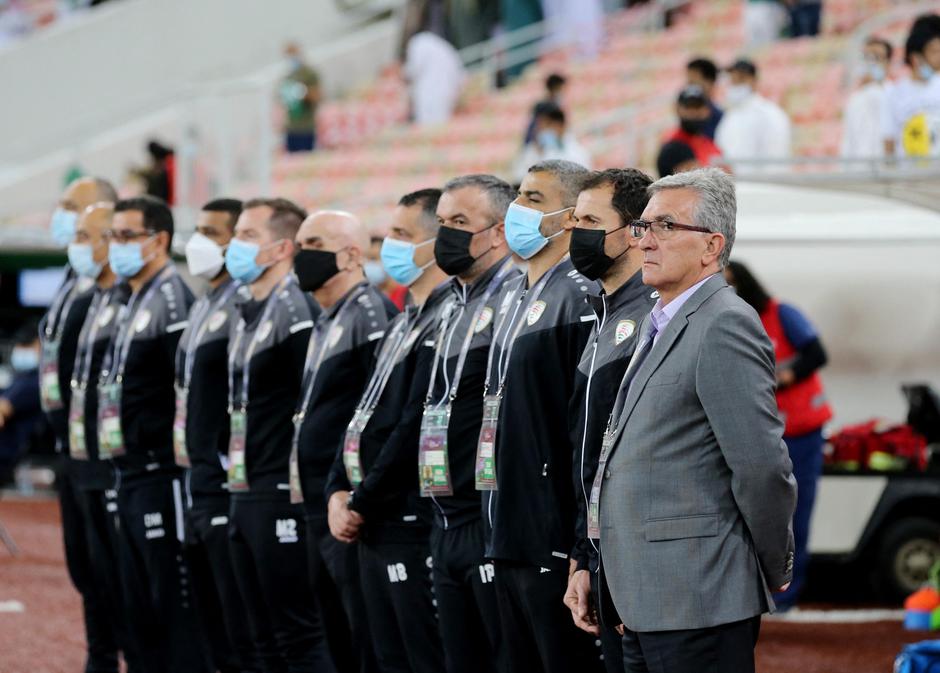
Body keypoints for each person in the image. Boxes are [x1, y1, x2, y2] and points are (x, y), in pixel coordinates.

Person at [594, 168, 797, 673]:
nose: (644, 241)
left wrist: (773, 563)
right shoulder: (658, 319)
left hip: (698, 596)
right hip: (643, 596)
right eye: (642, 227)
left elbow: (760, 466)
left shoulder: (724, 322)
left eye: (664, 226)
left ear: (712, 246)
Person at [484, 159, 604, 673]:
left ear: (571, 217)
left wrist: (577, 538)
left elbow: (582, 427)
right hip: (503, 525)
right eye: (517, 196)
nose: (516, 208)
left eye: (533, 198)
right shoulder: (513, 293)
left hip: (549, 534)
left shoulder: (579, 294)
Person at [325, 189, 449, 673]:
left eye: (401, 235)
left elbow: (412, 423)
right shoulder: (403, 320)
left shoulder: (443, 320)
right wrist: (338, 487)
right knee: (383, 656)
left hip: (404, 520)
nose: (388, 247)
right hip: (371, 518)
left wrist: (359, 500)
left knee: (420, 656)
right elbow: (363, 413)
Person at [222, 198, 333, 673]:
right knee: (257, 632)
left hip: (279, 491)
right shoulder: (250, 306)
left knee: (298, 632)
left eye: (247, 236)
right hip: (245, 485)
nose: (234, 246)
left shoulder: (297, 307)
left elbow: (312, 405)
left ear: (280, 247)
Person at [99, 196, 205, 673]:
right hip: (128, 471)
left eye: (125, 236)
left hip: (160, 474)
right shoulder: (131, 298)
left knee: (171, 605)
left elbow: (183, 389)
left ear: (158, 240)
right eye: (112, 236)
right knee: (134, 605)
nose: (115, 246)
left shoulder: (173, 298)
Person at [291, 209, 397, 673]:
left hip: (349, 507)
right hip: (320, 502)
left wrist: (352, 492)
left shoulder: (370, 312)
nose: (301, 256)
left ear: (352, 254)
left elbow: (376, 416)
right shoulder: (327, 317)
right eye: (299, 244)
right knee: (334, 635)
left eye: (313, 244)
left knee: (362, 640)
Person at [562, 168, 657, 673]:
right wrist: (584, 555)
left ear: (634, 231)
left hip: (642, 561)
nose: (578, 232)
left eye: (591, 220)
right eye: (575, 219)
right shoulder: (602, 314)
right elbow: (590, 453)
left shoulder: (653, 316)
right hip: (602, 552)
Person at [427, 174, 520, 673]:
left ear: (499, 233)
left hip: (488, 515)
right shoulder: (446, 302)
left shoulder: (513, 298)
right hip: (443, 513)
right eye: (442, 222)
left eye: (460, 222)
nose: (446, 234)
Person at [41, 176, 126, 673]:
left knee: (117, 573)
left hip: (104, 456)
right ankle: (99, 657)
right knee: (86, 570)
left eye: (75, 210)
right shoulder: (73, 284)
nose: (64, 216)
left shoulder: (110, 295)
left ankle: (111, 657)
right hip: (69, 447)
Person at [175, 198, 262, 673]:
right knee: (210, 622)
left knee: (243, 626)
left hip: (230, 484)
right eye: (199, 229)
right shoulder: (207, 300)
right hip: (199, 479)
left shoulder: (246, 304)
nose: (200, 241)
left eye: (214, 231)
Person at [723, 259, 832, 611]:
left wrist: (780, 377)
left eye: (731, 283)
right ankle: (761, 593)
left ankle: (787, 598)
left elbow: (817, 354)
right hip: (762, 432)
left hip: (801, 431)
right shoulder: (730, 320)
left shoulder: (782, 313)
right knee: (759, 515)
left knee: (796, 515)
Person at [66, 202, 143, 673]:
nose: (80, 244)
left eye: (87, 234)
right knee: (91, 573)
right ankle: (100, 658)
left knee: (127, 578)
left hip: (119, 461)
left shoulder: (134, 303)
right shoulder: (86, 298)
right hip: (80, 452)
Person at [715, 59, 792, 169]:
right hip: (733, 183)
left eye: (741, 79)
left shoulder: (769, 114)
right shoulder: (730, 115)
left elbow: (775, 157)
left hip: (758, 183)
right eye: (732, 80)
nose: (735, 84)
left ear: (754, 81)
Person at [882, 14, 940, 158]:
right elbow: (889, 139)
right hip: (910, 175)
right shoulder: (894, 93)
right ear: (916, 57)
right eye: (935, 51)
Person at [0, 325, 43, 486]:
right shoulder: (20, 377)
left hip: (6, 456)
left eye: (26, 345)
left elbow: (2, 411)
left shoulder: (34, 381)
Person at [841, 37, 893, 160]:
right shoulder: (854, 99)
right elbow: (848, 140)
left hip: (888, 170)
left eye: (876, 57)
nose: (871, 62)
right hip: (859, 171)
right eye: (867, 57)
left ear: (888, 62)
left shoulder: (896, 96)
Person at [513, 103, 591, 183]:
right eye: (540, 126)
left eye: (547, 125)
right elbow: (519, 176)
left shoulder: (577, 152)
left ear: (560, 125)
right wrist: (537, 154)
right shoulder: (533, 149)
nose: (542, 129)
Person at [404, 29, 466, 126]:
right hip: (446, 89)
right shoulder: (436, 43)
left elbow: (413, 69)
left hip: (432, 93)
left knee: (429, 125)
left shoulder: (418, 43)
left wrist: (403, 75)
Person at [660, 85, 723, 172]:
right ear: (678, 109)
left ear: (707, 110)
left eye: (697, 107)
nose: (693, 112)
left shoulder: (709, 141)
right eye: (688, 107)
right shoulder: (673, 147)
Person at [281, 42, 322, 152]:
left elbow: (317, 96)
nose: (291, 58)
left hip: (306, 127)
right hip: (291, 128)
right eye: (288, 55)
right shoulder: (288, 76)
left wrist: (302, 92)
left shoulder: (309, 74)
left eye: (293, 54)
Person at [525, 73, 567, 145]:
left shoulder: (557, 105)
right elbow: (534, 128)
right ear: (555, 88)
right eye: (561, 89)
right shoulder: (542, 107)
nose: (563, 92)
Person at [686, 58, 723, 139]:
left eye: (693, 82)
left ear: (709, 82)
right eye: (688, 82)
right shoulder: (685, 116)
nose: (689, 86)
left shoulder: (720, 119)